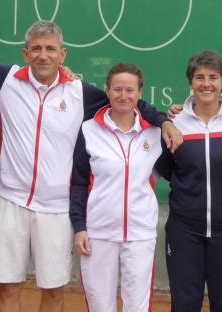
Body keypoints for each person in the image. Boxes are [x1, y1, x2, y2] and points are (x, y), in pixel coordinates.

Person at [0, 20, 182, 312]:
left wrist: (164, 121)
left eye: (50, 49)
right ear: (25, 53)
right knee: (9, 289)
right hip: (12, 202)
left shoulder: (80, 91)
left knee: (53, 292)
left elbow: (130, 103)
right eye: (36, 49)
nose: (42, 55)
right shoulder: (4, 78)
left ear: (63, 54)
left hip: (57, 209)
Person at [155, 51, 222, 312]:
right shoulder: (174, 122)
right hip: (185, 231)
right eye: (199, 77)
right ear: (190, 82)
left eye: (213, 77)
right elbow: (165, 168)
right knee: (185, 305)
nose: (206, 83)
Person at [70, 63, 163, 312]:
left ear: (140, 93)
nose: (124, 96)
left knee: (137, 307)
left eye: (130, 90)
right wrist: (79, 227)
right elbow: (78, 183)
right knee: (100, 306)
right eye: (117, 89)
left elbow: (171, 171)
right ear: (107, 91)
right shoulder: (89, 130)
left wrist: (166, 121)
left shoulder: (154, 133)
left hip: (140, 234)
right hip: (98, 233)